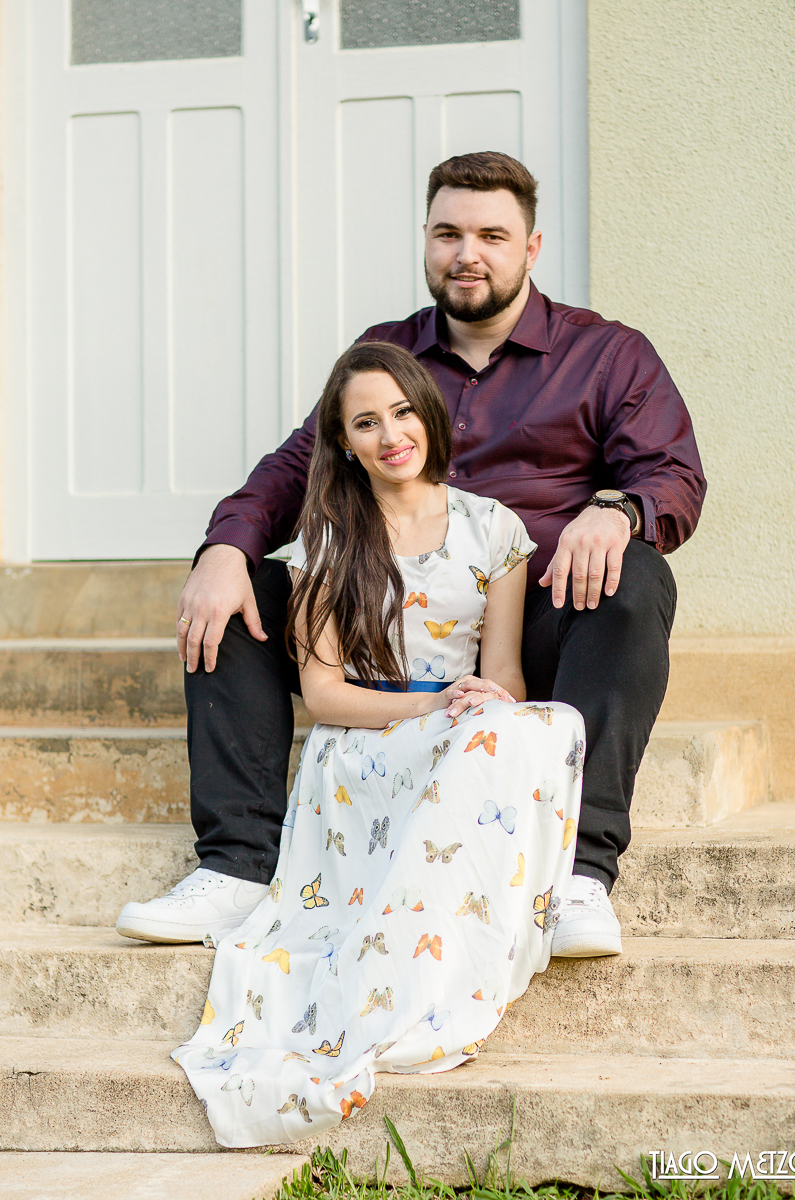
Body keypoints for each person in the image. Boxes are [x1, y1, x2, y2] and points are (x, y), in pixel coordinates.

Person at [116, 151, 705, 956]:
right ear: (425, 242)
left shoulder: (605, 354)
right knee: (240, 585)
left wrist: (618, 508)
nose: (469, 253)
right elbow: (299, 465)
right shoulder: (386, 353)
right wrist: (224, 545)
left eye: (493, 235)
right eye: (449, 233)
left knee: (634, 578)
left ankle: (579, 875)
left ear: (531, 249)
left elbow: (671, 474)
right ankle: (238, 868)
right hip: (377, 610)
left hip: (523, 610)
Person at [171, 341, 585, 1146]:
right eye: (367, 421)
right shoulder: (330, 534)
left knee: (548, 725)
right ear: (345, 441)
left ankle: (492, 931)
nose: (391, 433)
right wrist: (436, 703)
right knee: (485, 737)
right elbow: (324, 694)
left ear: (426, 414)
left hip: (461, 731)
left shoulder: (492, 527)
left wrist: (477, 703)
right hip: (364, 740)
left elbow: (501, 674)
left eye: (401, 411)